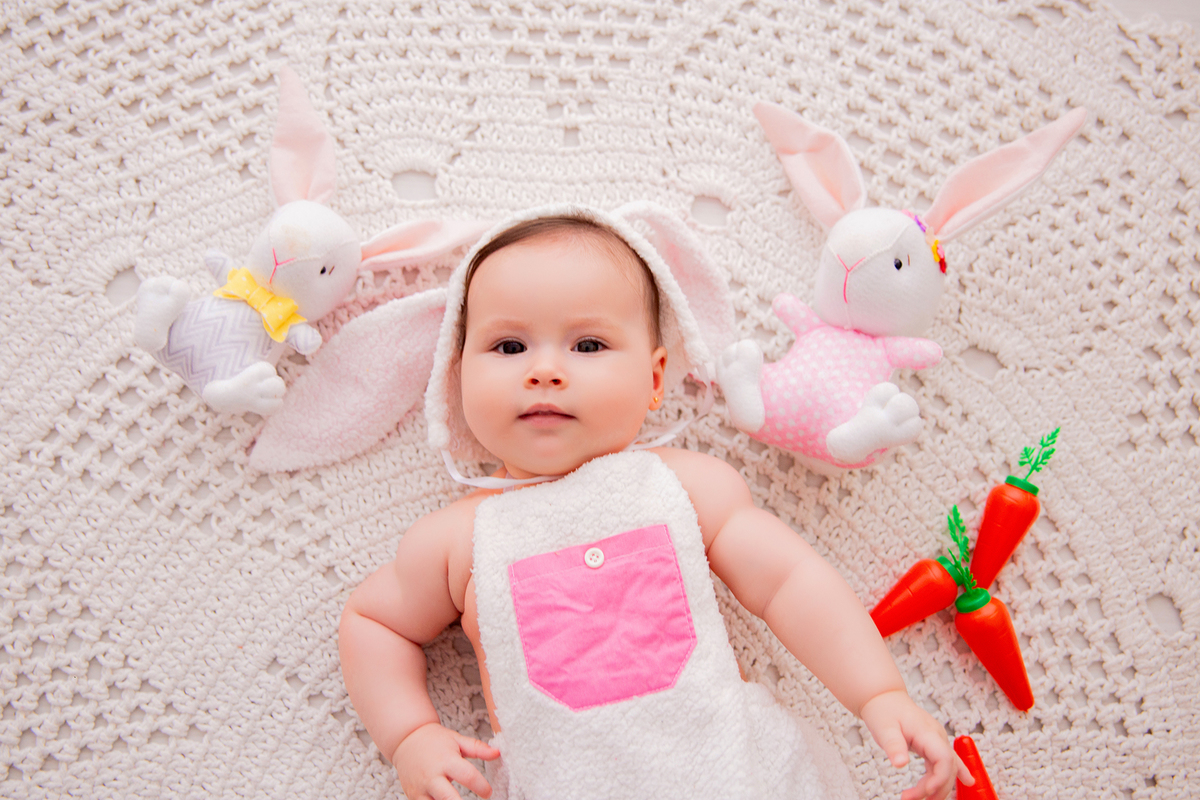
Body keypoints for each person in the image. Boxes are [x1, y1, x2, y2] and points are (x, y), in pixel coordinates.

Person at [339, 206, 970, 800]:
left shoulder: (685, 486)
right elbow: (375, 624)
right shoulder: (459, 539)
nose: (545, 371)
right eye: (509, 347)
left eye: (588, 346)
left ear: (655, 378)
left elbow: (788, 583)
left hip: (733, 772)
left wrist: (878, 692)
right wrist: (410, 735)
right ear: (456, 374)